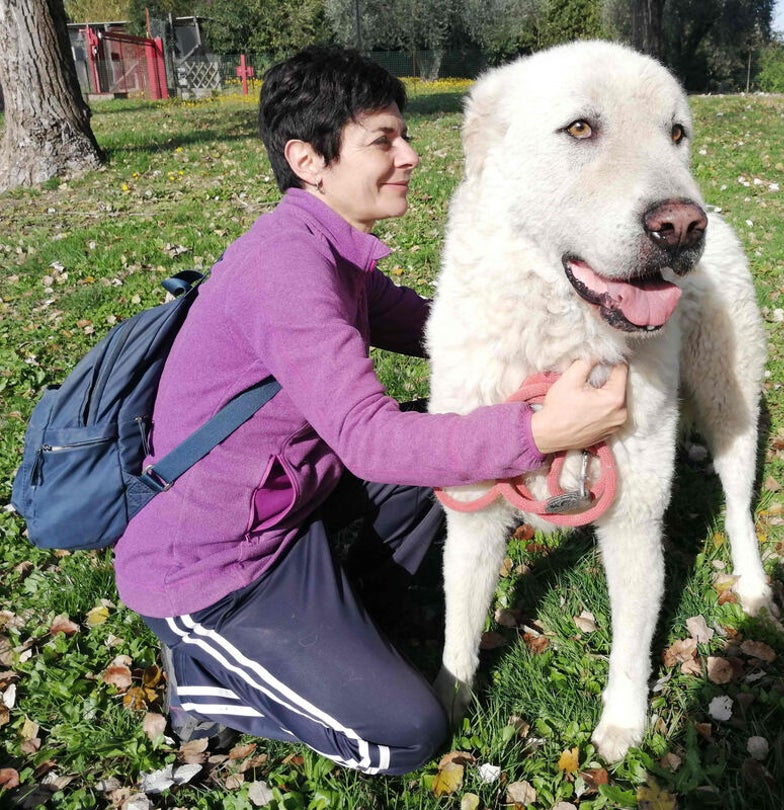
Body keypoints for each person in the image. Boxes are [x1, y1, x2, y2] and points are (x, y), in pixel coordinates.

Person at [112, 45, 628, 775]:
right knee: (404, 737)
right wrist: (541, 430)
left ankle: (352, 619)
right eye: (384, 139)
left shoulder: (329, 250)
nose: (411, 155)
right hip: (212, 566)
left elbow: (432, 324)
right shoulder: (288, 270)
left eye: (404, 134)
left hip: (285, 513)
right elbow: (369, 441)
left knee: (443, 450)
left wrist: (545, 335)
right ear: (308, 159)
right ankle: (207, 675)